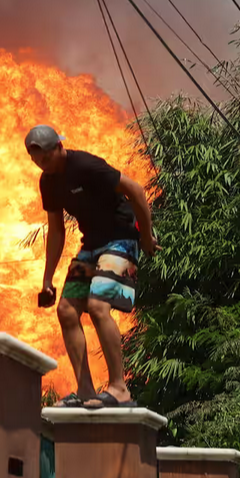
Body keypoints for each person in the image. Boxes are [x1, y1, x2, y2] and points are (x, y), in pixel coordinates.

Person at [25, 124, 160, 408]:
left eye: (46, 158)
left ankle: (119, 388)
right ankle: (85, 390)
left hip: (121, 239)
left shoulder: (85, 165)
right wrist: (47, 280)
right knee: (66, 310)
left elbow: (135, 190)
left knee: (98, 306)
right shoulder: (48, 183)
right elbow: (57, 230)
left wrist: (146, 235)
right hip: (91, 247)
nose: (42, 165)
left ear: (59, 147)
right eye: (36, 161)